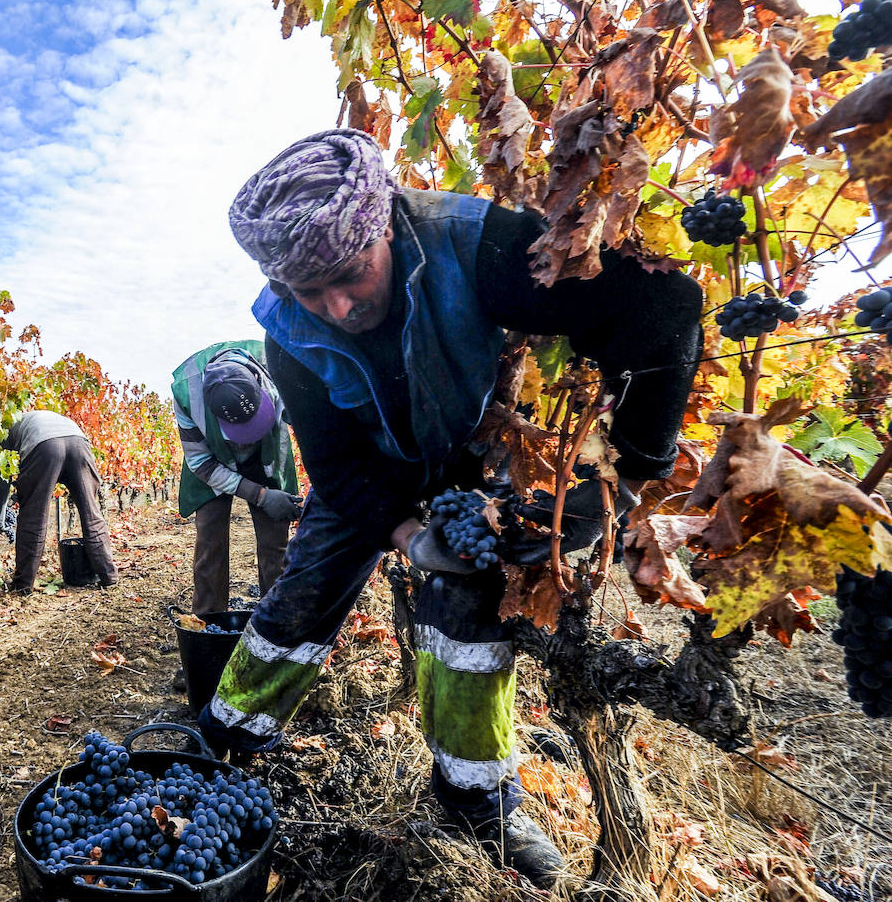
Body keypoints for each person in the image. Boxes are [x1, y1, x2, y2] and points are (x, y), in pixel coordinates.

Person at [205, 129, 703, 888]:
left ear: (384, 226)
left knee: (472, 602)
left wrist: (626, 478)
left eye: (352, 274)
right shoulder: (287, 333)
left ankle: (475, 799)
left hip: (469, 449)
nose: (337, 307)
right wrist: (407, 534)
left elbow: (665, 306)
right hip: (370, 466)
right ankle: (226, 737)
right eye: (310, 291)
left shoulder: (474, 245)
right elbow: (336, 465)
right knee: (304, 590)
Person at [171, 341, 300, 614]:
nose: (244, 443)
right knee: (210, 542)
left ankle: (277, 619)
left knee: (276, 543)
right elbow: (200, 463)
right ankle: (208, 621)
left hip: (267, 455)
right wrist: (260, 495)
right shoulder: (187, 394)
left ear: (257, 380)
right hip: (212, 457)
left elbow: (311, 429)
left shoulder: (281, 366)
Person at [0, 410, 118, 593]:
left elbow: (2, 482)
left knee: (33, 517)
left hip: (45, 447)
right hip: (79, 443)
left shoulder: (3, 434)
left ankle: (22, 585)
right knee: (91, 512)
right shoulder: (31, 418)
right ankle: (109, 576)